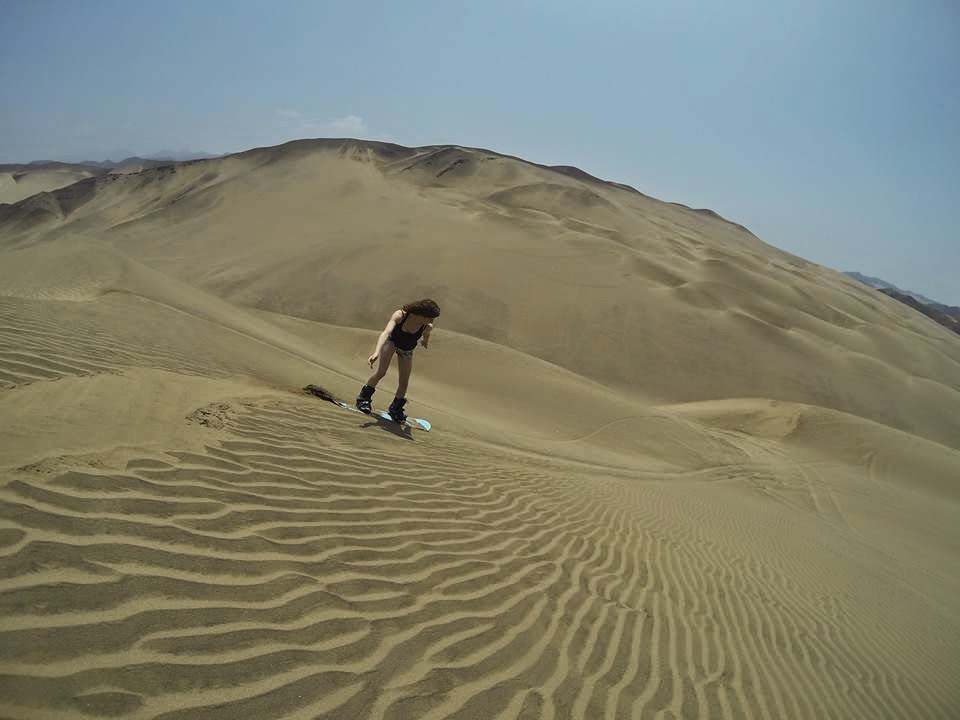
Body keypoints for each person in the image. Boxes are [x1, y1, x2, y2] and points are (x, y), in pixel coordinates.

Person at [356, 298, 440, 422]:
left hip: (407, 350)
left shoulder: (427, 326)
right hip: (392, 342)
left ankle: (395, 408)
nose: (431, 321)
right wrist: (376, 352)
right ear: (422, 314)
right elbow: (386, 333)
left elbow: (426, 335)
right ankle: (363, 399)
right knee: (381, 372)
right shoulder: (401, 315)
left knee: (404, 381)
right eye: (430, 317)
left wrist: (424, 342)